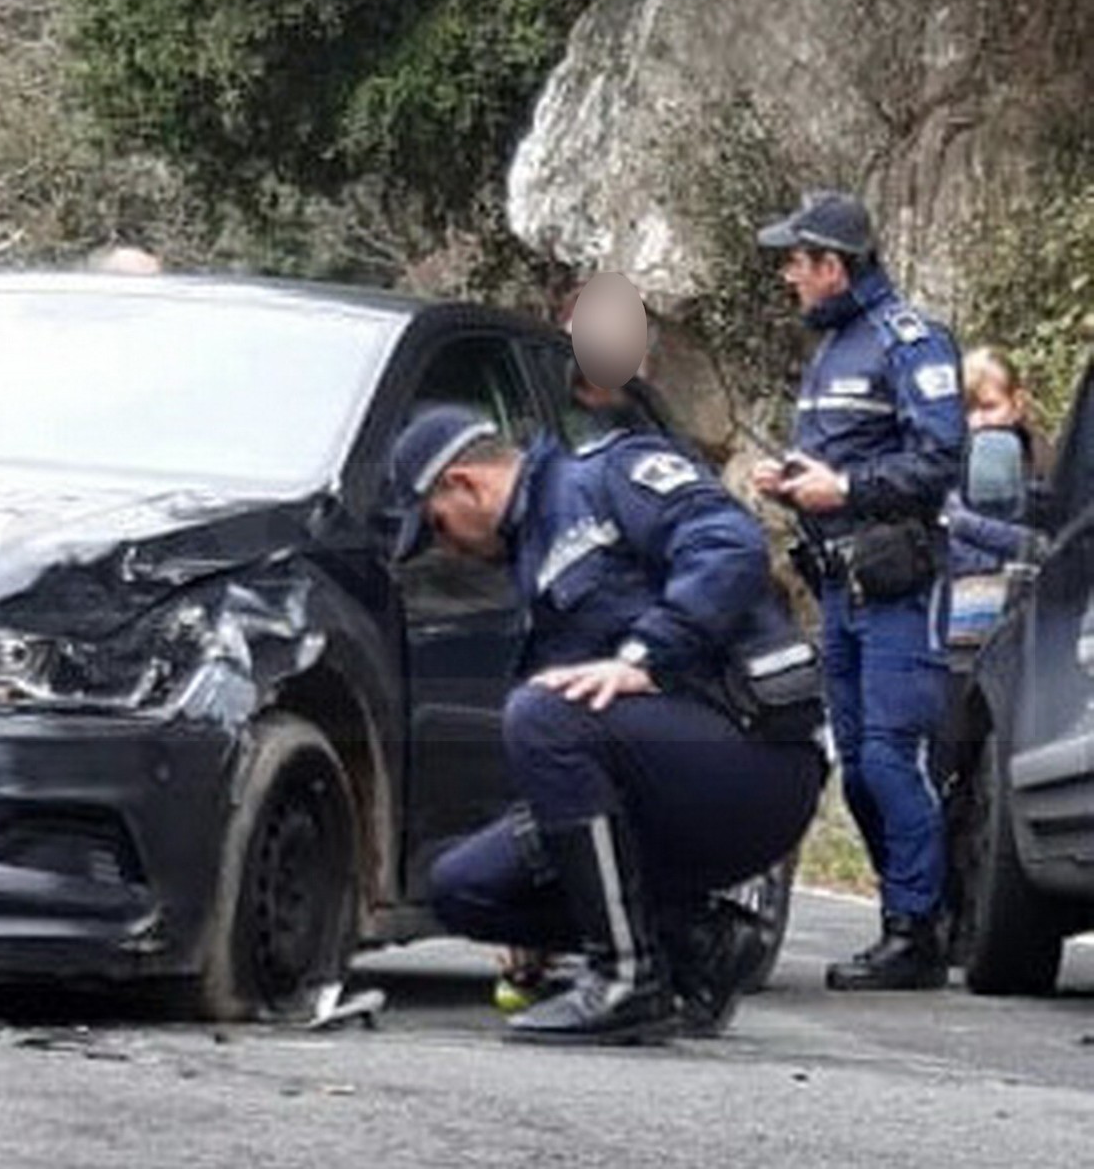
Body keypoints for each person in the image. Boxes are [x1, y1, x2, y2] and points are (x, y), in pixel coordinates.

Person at [390, 404, 826, 1043]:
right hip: (660, 784)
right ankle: (700, 946)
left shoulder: (610, 477)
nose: (444, 546)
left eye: (436, 525)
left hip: (754, 757)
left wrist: (645, 655)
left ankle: (627, 979)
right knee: (465, 887)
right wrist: (555, 893)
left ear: (465, 484)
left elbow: (731, 546)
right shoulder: (532, 562)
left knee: (540, 716)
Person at [752, 189, 966, 991]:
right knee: (857, 767)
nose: (787, 277)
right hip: (837, 590)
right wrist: (798, 481)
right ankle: (903, 918)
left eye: (796, 262)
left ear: (833, 266)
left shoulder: (907, 342)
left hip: (897, 588)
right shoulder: (833, 348)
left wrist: (843, 487)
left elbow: (938, 460)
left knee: (887, 759)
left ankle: (917, 932)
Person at [946, 345, 1051, 579]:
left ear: (1017, 403)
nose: (976, 421)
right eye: (966, 410)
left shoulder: (1044, 459)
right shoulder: (949, 460)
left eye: (989, 407)